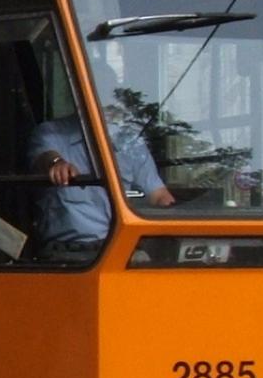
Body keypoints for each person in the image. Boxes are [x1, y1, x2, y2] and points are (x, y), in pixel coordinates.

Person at [25, 62, 174, 262]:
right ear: (78, 94)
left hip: (121, 249)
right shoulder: (51, 133)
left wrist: (173, 213)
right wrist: (58, 163)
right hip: (68, 253)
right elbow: (45, 156)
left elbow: (158, 194)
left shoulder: (130, 142)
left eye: (107, 92)